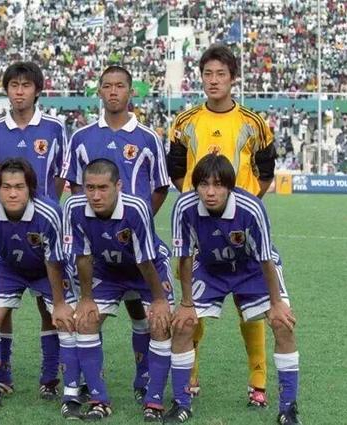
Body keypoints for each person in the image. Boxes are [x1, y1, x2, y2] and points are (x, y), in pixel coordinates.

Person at [167, 44, 277, 406]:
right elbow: (177, 170)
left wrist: (244, 206)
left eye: (221, 74)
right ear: (201, 78)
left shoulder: (253, 123)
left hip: (241, 228)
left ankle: (258, 382)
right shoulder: (185, 122)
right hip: (199, 229)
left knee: (252, 306)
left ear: (233, 79)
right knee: (192, 304)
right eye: (208, 74)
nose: (213, 81)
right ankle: (191, 375)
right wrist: (198, 202)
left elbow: (266, 172)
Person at [61, 65, 170, 404]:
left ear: (130, 91)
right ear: (99, 91)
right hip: (99, 249)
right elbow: (76, 188)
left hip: (138, 247)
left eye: (119, 86)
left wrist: (134, 226)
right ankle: (87, 384)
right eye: (107, 86)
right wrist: (101, 228)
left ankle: (144, 376)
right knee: (89, 315)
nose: (113, 92)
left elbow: (160, 187)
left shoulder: (148, 137)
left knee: (142, 312)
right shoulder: (81, 137)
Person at [165, 154, 299, 424]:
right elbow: (185, 256)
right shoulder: (184, 206)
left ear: (230, 186)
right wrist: (186, 303)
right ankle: (181, 403)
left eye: (218, 185)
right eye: (203, 184)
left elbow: (265, 258)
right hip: (210, 267)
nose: (210, 192)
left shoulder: (251, 208)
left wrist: (276, 303)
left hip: (252, 267)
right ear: (195, 185)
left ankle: (288, 408)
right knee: (183, 324)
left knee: (282, 323)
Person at [63, 159, 174, 421]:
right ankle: (99, 399)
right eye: (90, 188)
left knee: (159, 324)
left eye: (103, 188)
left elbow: (145, 261)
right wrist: (86, 298)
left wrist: (159, 300)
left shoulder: (136, 208)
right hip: (107, 270)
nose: (95, 195)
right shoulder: (73, 207)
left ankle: (153, 399)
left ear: (119, 186)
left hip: (147, 268)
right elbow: (82, 256)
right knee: (86, 322)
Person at [0, 61, 67, 398]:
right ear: (7, 90)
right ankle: (2, 374)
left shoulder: (55, 128)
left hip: (45, 230)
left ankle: (49, 378)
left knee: (50, 307)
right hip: (7, 231)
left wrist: (46, 206)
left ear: (37, 90)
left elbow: (60, 174)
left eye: (26, 85)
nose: (19, 92)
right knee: (0, 309)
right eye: (14, 85)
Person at [0, 158, 78, 417]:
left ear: (31, 188)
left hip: (46, 269)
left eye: (19, 186)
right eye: (6, 187)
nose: (12, 193)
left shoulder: (49, 212)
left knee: (66, 322)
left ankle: (68, 393)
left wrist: (60, 304)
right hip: (9, 268)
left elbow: (54, 261)